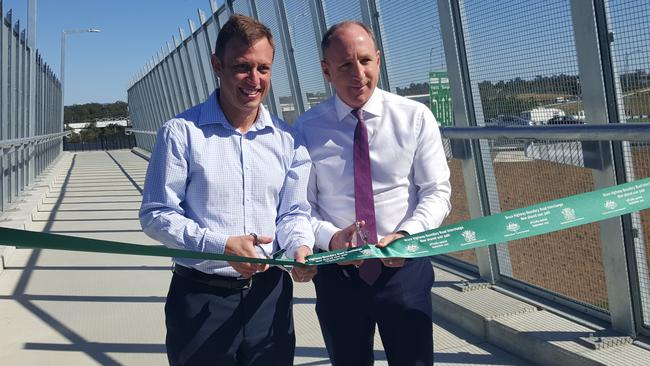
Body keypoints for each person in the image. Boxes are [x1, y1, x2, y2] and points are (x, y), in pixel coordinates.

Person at [139, 14, 317, 366]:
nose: (254, 80)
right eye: (242, 67)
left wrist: (300, 247)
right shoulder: (180, 133)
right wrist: (221, 246)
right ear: (216, 65)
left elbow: (293, 213)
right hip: (201, 300)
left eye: (263, 69)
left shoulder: (289, 139)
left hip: (270, 299)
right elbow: (156, 214)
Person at [295, 21, 451, 366]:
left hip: (404, 271)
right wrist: (332, 239)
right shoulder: (306, 129)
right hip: (338, 275)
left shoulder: (415, 118)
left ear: (378, 60)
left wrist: (407, 236)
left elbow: (436, 191)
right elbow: (300, 205)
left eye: (365, 61)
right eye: (345, 65)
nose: (359, 74)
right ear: (326, 70)